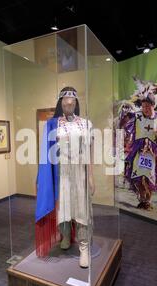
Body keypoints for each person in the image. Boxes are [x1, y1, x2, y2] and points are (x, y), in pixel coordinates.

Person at [35, 87, 95, 268]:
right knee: (64, 207)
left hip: (80, 171)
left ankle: (84, 246)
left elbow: (90, 151)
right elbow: (45, 152)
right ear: (61, 103)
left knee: (82, 208)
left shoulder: (86, 124)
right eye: (65, 101)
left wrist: (91, 176)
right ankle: (66, 235)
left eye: (72, 102)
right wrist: (40, 177)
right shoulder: (53, 124)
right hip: (61, 173)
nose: (69, 104)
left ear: (76, 104)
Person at [125, 94, 157, 210]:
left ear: (154, 106)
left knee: (149, 178)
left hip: (152, 154)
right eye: (143, 107)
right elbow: (126, 123)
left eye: (148, 107)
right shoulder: (137, 116)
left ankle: (147, 201)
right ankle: (142, 198)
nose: (145, 109)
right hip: (139, 151)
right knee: (138, 177)